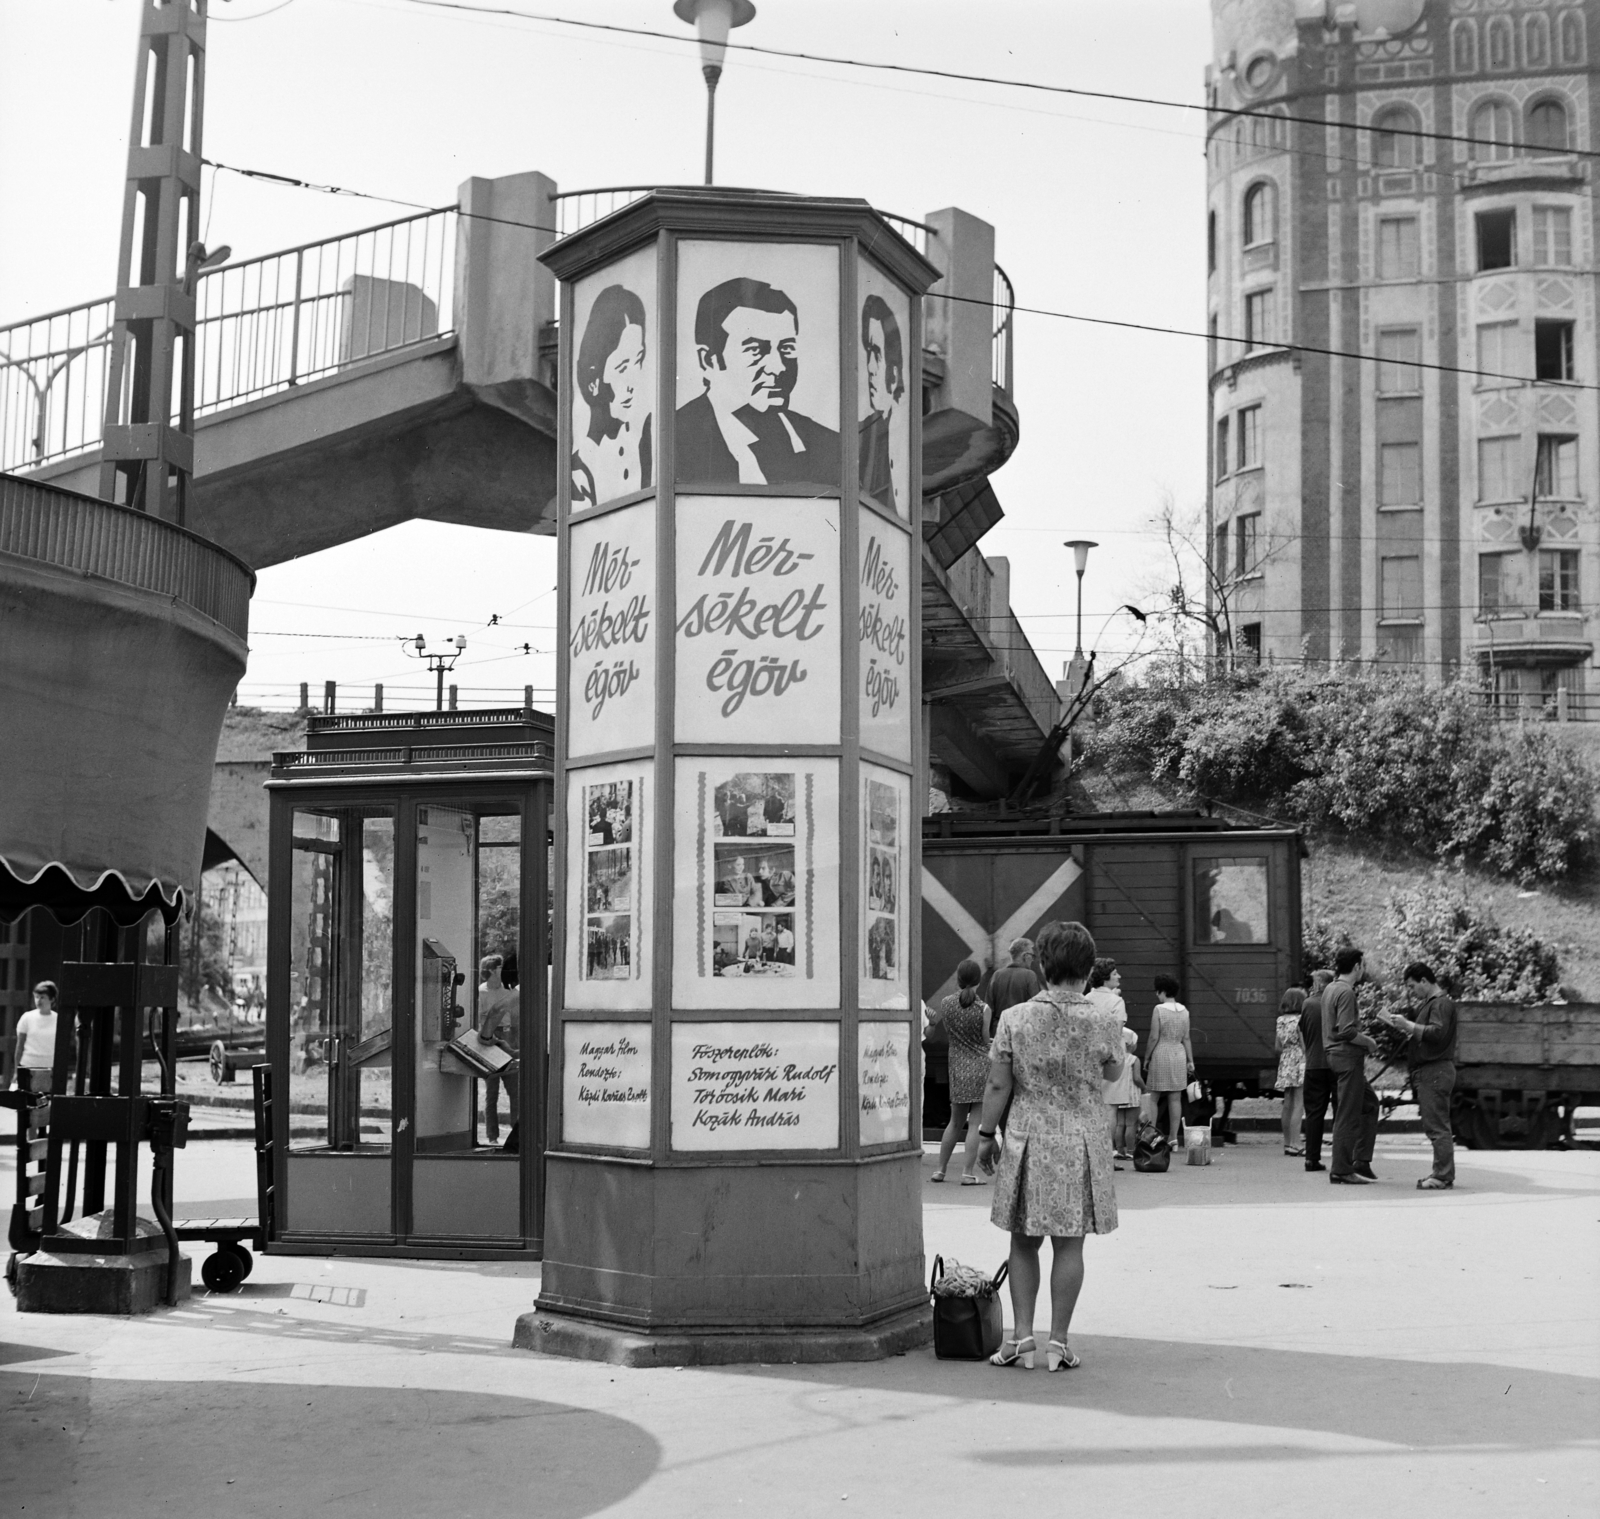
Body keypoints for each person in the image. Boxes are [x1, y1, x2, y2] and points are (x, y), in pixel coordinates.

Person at [976, 920, 1124, 1372]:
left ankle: (1021, 1338)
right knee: (1070, 1245)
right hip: (1081, 1140)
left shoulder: (1014, 1018)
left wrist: (985, 1136)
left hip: (1027, 1138)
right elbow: (1114, 1074)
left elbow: (998, 1085)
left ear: (1042, 964)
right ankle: (1059, 1343)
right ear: (1087, 967)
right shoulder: (1103, 1018)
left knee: (1023, 1242)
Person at [676, 277, 840, 484]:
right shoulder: (674, 438)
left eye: (786, 349)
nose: (778, 367)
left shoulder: (827, 445)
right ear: (709, 360)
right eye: (755, 350)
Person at [1378, 963, 1459, 1190]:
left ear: (1424, 980)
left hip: (1434, 1070)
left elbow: (1436, 1033)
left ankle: (1442, 1175)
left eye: (1413, 986)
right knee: (1436, 1124)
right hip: (1433, 1070)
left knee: (1437, 1126)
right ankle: (1442, 1173)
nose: (1413, 991)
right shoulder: (1434, 1004)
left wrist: (1409, 1025)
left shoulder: (1440, 1004)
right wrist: (1409, 1028)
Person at [572, 284, 651, 506]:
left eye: (638, 360)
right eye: (622, 366)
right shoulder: (580, 473)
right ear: (594, 379)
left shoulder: (645, 441)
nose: (633, 381)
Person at [926, 959, 992, 1185]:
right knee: (974, 1124)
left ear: (958, 979)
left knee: (954, 1123)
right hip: (981, 1068)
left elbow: (951, 1035)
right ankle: (967, 1173)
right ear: (978, 980)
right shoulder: (983, 1009)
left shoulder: (946, 1004)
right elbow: (984, 1040)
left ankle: (940, 1170)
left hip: (957, 1068)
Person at [1324, 946, 1380, 1185]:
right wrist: (1368, 1042)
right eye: (1362, 965)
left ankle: (1360, 1161)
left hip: (1335, 1056)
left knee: (1369, 1105)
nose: (1363, 970)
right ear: (1357, 967)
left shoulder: (1330, 988)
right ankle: (1341, 1169)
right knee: (1347, 1115)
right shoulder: (1346, 992)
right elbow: (1346, 1031)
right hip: (1347, 1058)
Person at [858, 293, 907, 518]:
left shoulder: (905, 437)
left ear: (895, 372)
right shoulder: (864, 433)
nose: (869, 367)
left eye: (876, 354)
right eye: (868, 352)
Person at [1144, 973, 1195, 1149]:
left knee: (1153, 1097)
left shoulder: (1159, 1009)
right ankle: (1173, 1138)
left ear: (1163, 991)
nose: (1156, 994)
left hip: (1161, 1052)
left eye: (1157, 991)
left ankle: (1151, 1134)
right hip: (1179, 1053)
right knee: (1175, 1097)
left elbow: (1153, 1037)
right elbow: (1186, 1038)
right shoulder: (1184, 1011)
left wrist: (1147, 1057)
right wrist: (1190, 1060)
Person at [476, 956, 518, 1145]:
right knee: (492, 1092)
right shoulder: (481, 992)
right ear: (491, 970)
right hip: (489, 1038)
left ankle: (515, 1134)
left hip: (506, 1036)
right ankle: (492, 1136)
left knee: (514, 1089)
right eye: (500, 967)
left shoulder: (507, 990)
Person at [1299, 969, 1335, 1172]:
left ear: (1320, 984)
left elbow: (1303, 1029)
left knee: (1314, 1113)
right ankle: (1341, 1157)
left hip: (1313, 1063)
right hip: (1335, 1063)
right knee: (1340, 1112)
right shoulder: (1336, 1002)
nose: (1311, 987)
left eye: (1313, 983)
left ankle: (1311, 1159)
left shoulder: (1308, 1003)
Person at [1275, 986, 1308, 1158]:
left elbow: (1277, 1047)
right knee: (1299, 1103)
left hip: (1285, 1060)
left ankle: (1287, 1143)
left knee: (1287, 1103)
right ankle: (1297, 1143)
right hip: (1299, 1060)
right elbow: (1304, 1044)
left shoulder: (1280, 1020)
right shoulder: (1301, 1020)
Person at [12, 981, 60, 1096]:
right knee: (25, 1105)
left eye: (42, 997)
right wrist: (16, 1071)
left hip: (49, 1069)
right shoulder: (27, 1018)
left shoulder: (58, 1019)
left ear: (52, 999)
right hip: (28, 1067)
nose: (38, 1000)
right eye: (36, 997)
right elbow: (20, 1046)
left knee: (46, 1105)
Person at [987, 938, 1041, 1040]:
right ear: (1025, 956)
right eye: (1032, 956)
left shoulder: (997, 975)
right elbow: (1036, 1010)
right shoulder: (1030, 976)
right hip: (1022, 1034)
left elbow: (989, 1009)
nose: (1032, 959)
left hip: (999, 1032)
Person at [1103, 1026, 1143, 1164]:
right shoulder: (1133, 1059)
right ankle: (1131, 1151)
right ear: (1130, 1043)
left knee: (1119, 1124)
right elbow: (1137, 1078)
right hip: (1131, 1096)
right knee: (1131, 1124)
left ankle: (1119, 1150)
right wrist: (1145, 1088)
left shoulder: (1114, 1057)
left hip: (1115, 1093)